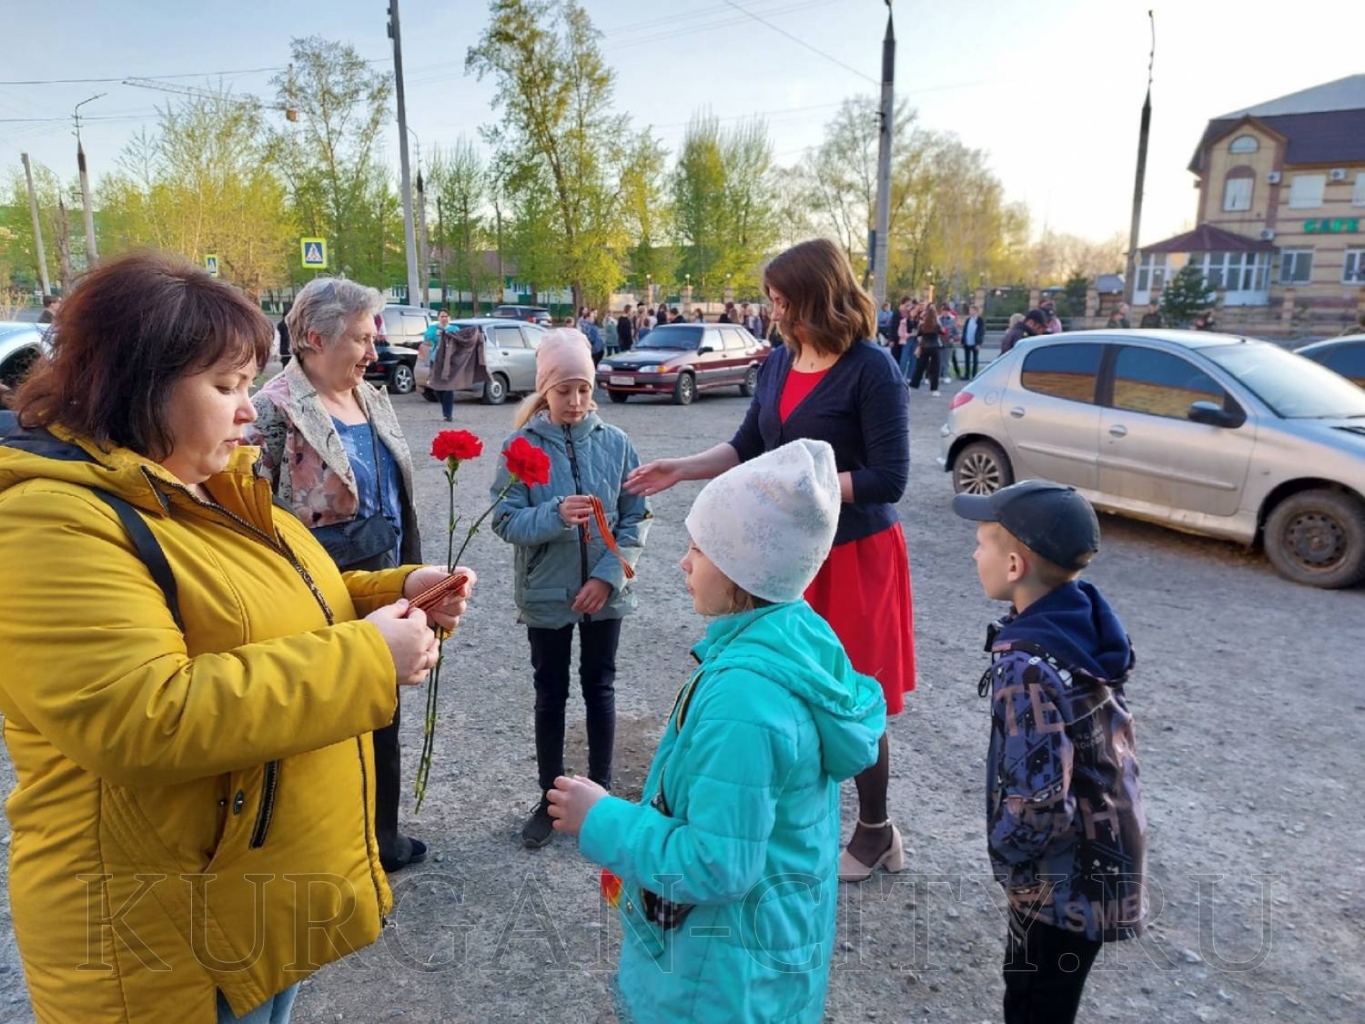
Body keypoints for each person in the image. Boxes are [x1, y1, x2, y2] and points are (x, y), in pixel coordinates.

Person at [0, 251, 473, 1023]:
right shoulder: (47, 523)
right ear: (137, 385)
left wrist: (392, 593)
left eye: (248, 384)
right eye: (226, 387)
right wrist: (368, 657)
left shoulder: (200, 484)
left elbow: (268, 603)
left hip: (240, 904)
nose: (250, 410)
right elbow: (143, 714)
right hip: (157, 935)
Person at [549, 439, 885, 1023]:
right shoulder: (796, 640)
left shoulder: (744, 702)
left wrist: (599, 818)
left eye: (699, 549)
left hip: (716, 982)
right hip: (767, 957)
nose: (683, 563)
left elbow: (715, 864)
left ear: (743, 569)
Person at [627, 238, 914, 884]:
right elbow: (749, 446)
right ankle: (801, 816)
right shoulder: (782, 360)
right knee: (794, 680)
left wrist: (802, 489)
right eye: (772, 300)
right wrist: (681, 469)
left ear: (817, 296)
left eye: (782, 300)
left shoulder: (872, 369)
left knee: (851, 690)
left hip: (855, 553)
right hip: (789, 556)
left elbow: (889, 478)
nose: (773, 311)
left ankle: (875, 830)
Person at [246, 276, 432, 875]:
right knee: (330, 721)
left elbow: (398, 493)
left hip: (389, 582)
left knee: (383, 712)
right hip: (317, 596)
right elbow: (253, 516)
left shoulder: (372, 397)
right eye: (360, 338)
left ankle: (384, 837)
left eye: (373, 337)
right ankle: (335, 847)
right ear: (313, 337)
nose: (374, 351)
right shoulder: (273, 409)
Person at [952, 481, 1146, 1024]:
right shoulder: (1080, 621)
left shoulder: (1027, 667)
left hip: (1061, 881)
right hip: (1104, 854)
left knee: (1032, 999)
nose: (974, 555)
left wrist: (1007, 849)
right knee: (1050, 994)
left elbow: (1038, 799)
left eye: (981, 544)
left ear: (1014, 565)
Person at [491, 329, 652, 849]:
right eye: (564, 390)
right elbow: (504, 520)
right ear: (545, 390)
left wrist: (606, 577)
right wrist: (554, 514)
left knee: (600, 687)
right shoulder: (520, 446)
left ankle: (600, 796)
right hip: (546, 593)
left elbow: (637, 517)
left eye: (584, 388)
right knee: (551, 693)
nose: (576, 401)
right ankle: (550, 798)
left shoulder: (617, 443)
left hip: (605, 595)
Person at [423, 309, 488, 422]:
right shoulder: (433, 328)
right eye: (442, 316)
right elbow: (427, 337)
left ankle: (448, 414)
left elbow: (462, 340)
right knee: (436, 387)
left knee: (449, 387)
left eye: (446, 316)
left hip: (450, 362)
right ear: (438, 318)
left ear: (449, 318)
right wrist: (436, 334)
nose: (444, 318)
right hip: (436, 361)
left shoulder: (454, 329)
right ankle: (444, 405)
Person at [908, 302, 944, 395]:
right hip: (935, 346)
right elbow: (942, 332)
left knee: (920, 367)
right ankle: (934, 389)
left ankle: (913, 385)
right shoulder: (937, 324)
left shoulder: (923, 325)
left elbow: (917, 334)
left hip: (924, 346)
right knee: (935, 368)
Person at [961, 304, 985, 379]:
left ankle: (974, 375)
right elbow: (965, 331)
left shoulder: (980, 320)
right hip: (967, 342)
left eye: (972, 310)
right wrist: (963, 341)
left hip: (975, 343)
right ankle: (967, 375)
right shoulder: (968, 320)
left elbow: (981, 332)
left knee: (975, 359)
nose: (970, 312)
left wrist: (979, 343)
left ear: (976, 311)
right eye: (970, 310)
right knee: (967, 359)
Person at [939, 303, 960, 383]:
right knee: (939, 361)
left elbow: (956, 334)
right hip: (939, 343)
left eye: (947, 311)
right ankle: (938, 376)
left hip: (948, 344)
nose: (945, 313)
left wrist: (953, 338)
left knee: (946, 361)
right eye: (944, 311)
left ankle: (946, 376)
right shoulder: (938, 320)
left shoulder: (952, 321)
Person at [277, 302, 293, 367]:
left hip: (290, 351)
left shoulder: (294, 325)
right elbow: (279, 339)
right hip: (286, 352)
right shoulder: (281, 325)